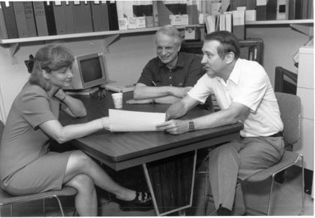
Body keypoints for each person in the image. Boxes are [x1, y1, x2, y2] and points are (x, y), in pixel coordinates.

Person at [0, 44, 152, 216]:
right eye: (63, 72)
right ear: (45, 73)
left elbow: (80, 112)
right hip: (17, 174)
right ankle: (123, 194)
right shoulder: (33, 95)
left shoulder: (47, 90)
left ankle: (120, 196)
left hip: (34, 161)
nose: (71, 75)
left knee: (84, 181)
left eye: (69, 70)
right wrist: (102, 122)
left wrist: (61, 94)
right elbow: (61, 135)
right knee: (81, 159)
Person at [156, 31, 284, 215]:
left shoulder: (253, 71)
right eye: (203, 54)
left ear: (229, 57)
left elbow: (233, 115)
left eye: (209, 54)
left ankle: (224, 212)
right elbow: (184, 104)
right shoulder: (211, 76)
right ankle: (224, 211)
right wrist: (163, 119)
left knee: (220, 170)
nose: (202, 60)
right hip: (235, 138)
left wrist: (188, 125)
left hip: (268, 141)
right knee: (218, 158)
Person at [127, 25, 205, 105]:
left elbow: (190, 98)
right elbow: (138, 93)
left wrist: (152, 100)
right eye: (160, 48)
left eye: (168, 48)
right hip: (161, 113)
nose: (163, 53)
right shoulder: (153, 64)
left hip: (193, 113)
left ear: (178, 47)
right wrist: (172, 90)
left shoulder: (194, 62)